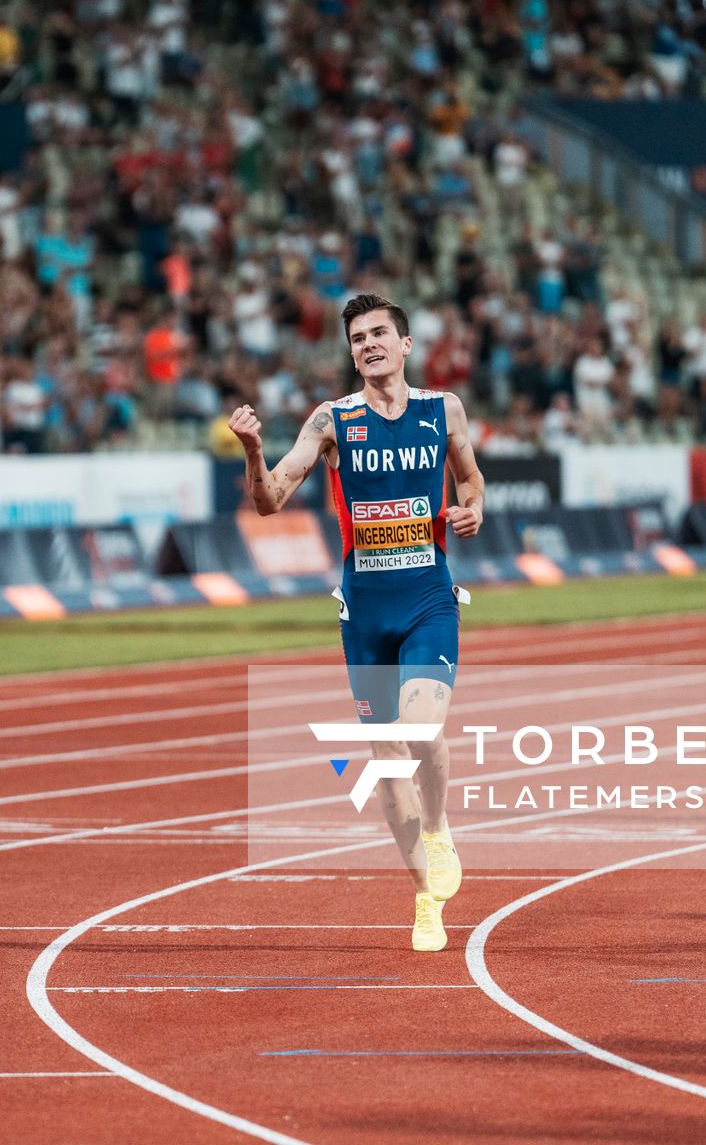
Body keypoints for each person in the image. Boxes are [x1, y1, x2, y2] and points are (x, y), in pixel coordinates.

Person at [227, 292, 486, 952]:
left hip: (428, 596)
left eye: (379, 334)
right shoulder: (332, 421)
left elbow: (472, 482)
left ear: (405, 345)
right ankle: (426, 896)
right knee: (386, 758)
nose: (367, 344)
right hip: (365, 614)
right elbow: (270, 500)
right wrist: (253, 450)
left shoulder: (442, 409)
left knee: (422, 726)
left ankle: (438, 828)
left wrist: (471, 510)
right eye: (357, 339)